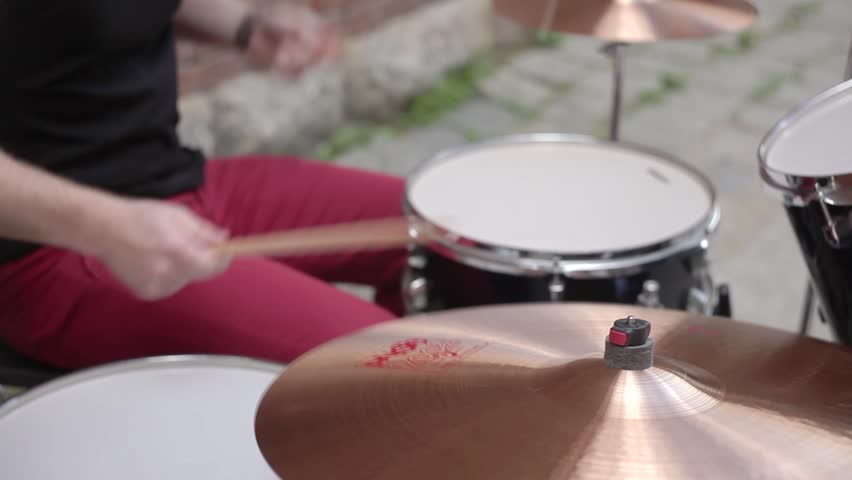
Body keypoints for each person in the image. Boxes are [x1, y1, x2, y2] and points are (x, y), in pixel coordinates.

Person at [0, 0, 408, 370]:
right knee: (396, 361)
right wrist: (108, 226)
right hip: (51, 251)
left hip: (172, 182)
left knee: (443, 236)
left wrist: (247, 25)